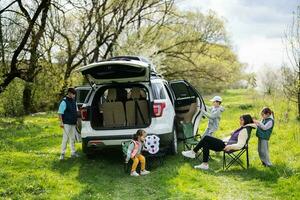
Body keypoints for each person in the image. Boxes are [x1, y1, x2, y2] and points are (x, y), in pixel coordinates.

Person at [182, 114, 255, 170]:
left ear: (246, 120)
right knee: (205, 143)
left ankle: (193, 152)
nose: (240, 121)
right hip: (226, 144)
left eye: (242, 120)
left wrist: (229, 146)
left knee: (206, 138)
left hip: (227, 146)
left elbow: (240, 145)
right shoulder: (244, 128)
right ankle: (204, 164)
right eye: (240, 120)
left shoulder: (244, 130)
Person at [58, 88, 80, 160]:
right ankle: (62, 154)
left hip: (73, 123)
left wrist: (76, 121)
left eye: (74, 94)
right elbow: (60, 113)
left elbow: (76, 112)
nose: (74, 95)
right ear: (69, 93)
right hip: (66, 123)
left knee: (72, 138)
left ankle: (73, 152)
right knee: (65, 138)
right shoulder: (64, 102)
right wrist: (61, 122)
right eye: (73, 94)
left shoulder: (74, 102)